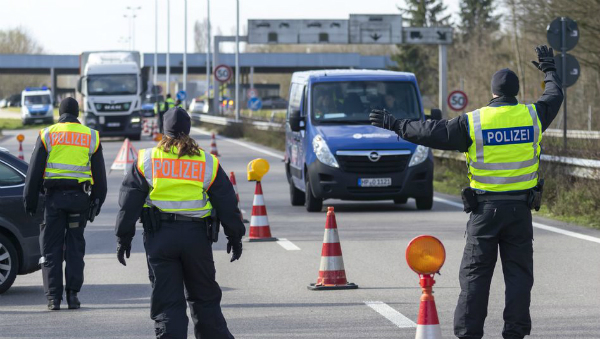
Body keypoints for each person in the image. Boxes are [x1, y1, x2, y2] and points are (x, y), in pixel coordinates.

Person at [370, 45, 563, 339]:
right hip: (520, 212)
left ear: (493, 92)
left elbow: (431, 131)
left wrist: (395, 124)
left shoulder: (473, 122)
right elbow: (554, 95)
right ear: (516, 90)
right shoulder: (533, 116)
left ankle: (469, 334)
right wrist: (549, 70)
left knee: (475, 277)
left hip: (485, 213)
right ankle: (515, 333)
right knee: (519, 277)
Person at [115, 107, 245, 339]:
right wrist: (234, 236)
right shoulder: (207, 161)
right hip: (196, 238)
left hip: (160, 237)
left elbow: (129, 202)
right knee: (205, 300)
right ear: (188, 129)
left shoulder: (147, 159)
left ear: (163, 130)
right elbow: (226, 202)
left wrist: (123, 237)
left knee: (168, 303)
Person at [23, 97, 107, 311]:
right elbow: (100, 177)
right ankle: (73, 296)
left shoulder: (47, 134)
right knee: (75, 248)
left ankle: (53, 298)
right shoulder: (91, 136)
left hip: (53, 201)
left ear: (59, 114)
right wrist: (96, 202)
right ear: (77, 114)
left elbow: (33, 172)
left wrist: (30, 201)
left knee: (51, 248)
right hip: (79, 200)